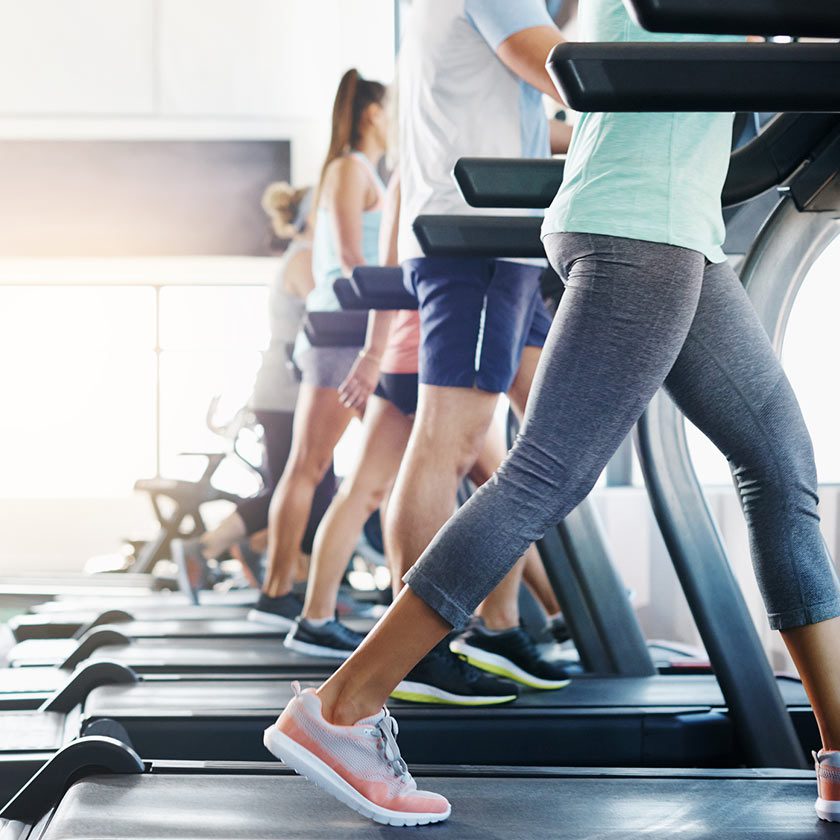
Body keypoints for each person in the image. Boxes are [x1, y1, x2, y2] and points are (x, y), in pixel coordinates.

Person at [264, 0, 840, 828]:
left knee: (781, 469)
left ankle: (838, 754)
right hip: (640, 228)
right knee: (543, 476)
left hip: (674, 227)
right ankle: (342, 709)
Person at [285, 171, 568, 695]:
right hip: (429, 354)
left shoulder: (403, 175)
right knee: (514, 482)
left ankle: (317, 616)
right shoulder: (430, 168)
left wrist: (373, 353)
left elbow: (387, 259)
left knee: (363, 491)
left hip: (398, 358)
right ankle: (495, 626)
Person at [248, 69, 389, 626]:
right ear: (374, 113)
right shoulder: (353, 168)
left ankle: (281, 590)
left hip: (341, 325)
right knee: (316, 469)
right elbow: (353, 257)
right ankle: (285, 591)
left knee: (313, 469)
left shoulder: (344, 169)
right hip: (352, 327)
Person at [172, 183, 335, 592]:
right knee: (300, 489)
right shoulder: (303, 261)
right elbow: (334, 309)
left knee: (302, 488)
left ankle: (268, 555)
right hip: (288, 394)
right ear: (313, 217)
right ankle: (210, 548)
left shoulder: (301, 257)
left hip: (289, 391)